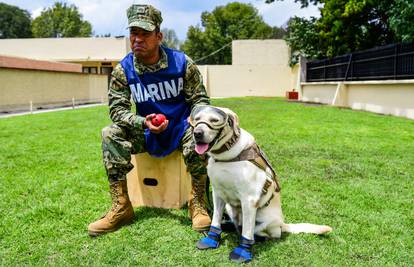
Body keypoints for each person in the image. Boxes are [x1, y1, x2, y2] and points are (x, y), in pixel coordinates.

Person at [88, 4, 211, 236]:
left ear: (159, 36)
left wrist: (196, 121)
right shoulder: (123, 70)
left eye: (145, 34)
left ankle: (198, 203)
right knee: (110, 133)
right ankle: (121, 206)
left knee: (200, 133)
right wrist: (144, 122)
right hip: (146, 130)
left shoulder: (182, 63)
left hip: (181, 127)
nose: (137, 39)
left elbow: (200, 100)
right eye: (134, 33)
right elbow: (117, 111)